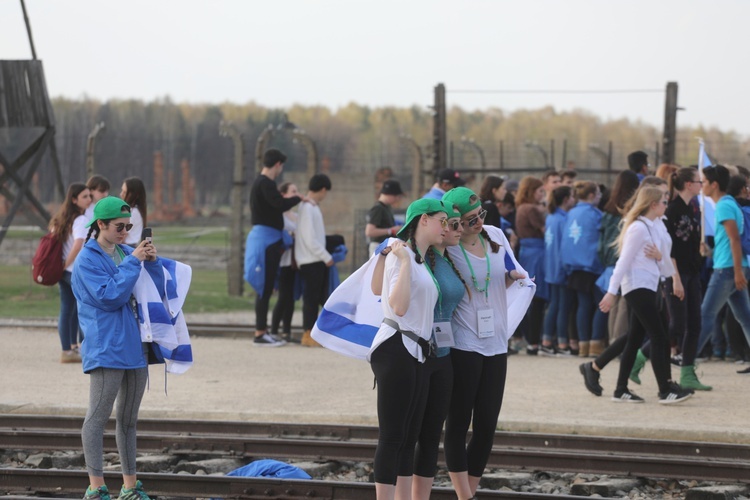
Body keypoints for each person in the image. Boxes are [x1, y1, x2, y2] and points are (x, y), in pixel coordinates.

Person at [441, 187, 532, 500]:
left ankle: (471, 492)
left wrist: (512, 278)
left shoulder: (494, 234)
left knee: (486, 427)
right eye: (468, 220)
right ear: (453, 222)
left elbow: (497, 279)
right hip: (463, 344)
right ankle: (464, 495)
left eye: (480, 214)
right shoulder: (447, 245)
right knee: (457, 423)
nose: (478, 222)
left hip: (496, 342)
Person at [71, 196, 159, 499]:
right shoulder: (86, 260)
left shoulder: (124, 251)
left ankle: (130, 487)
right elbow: (110, 296)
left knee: (128, 421)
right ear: (101, 225)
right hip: (107, 347)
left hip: (136, 347)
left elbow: (148, 291)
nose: (125, 232)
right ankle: (96, 489)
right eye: (119, 227)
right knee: (96, 418)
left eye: (129, 226)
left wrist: (152, 261)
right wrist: (135, 260)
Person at [367, 198, 448, 500]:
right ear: (423, 220)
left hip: (417, 351)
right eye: (442, 220)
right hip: (396, 348)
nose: (446, 227)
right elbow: (398, 306)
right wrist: (399, 261)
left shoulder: (418, 258)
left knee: (408, 436)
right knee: (392, 436)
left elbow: (377, 289)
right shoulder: (403, 256)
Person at [394, 202, 468, 500]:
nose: (455, 229)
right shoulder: (415, 257)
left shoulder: (449, 259)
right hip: (418, 353)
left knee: (430, 435)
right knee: (407, 434)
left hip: (444, 354)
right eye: (449, 223)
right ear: (427, 222)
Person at [599, 187, 693, 404]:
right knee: (659, 337)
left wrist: (660, 257)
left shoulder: (655, 226)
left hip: (651, 287)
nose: (666, 206)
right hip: (637, 287)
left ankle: (621, 389)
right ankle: (665, 389)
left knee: (635, 338)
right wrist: (611, 292)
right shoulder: (638, 229)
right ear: (653, 204)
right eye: (663, 203)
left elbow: (667, 268)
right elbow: (622, 262)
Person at [695, 165, 750, 373]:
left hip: (728, 269)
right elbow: (729, 242)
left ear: (715, 184)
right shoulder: (728, 204)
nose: (702, 186)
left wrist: (736, 271)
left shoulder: (725, 206)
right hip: (734, 266)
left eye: (705, 182)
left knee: (706, 314)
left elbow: (734, 239)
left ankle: (688, 358)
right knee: (745, 318)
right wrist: (709, 251)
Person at [246, 148, 303, 346]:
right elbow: (279, 204)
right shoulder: (266, 183)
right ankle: (260, 333)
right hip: (266, 242)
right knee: (265, 288)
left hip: (267, 240)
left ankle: (262, 331)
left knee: (267, 287)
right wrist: (299, 198)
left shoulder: (260, 183)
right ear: (278, 164)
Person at [663, 167, 711, 389]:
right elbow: (669, 248)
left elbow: (688, 241)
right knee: (677, 325)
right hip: (677, 273)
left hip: (692, 271)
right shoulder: (672, 210)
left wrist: (700, 247)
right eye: (698, 182)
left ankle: (688, 373)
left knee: (695, 324)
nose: (702, 185)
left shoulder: (693, 209)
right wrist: (675, 278)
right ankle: (639, 359)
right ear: (689, 185)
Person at [561, 181, 605, 357]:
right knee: (602, 304)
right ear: (592, 196)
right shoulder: (596, 214)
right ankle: (596, 343)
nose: (601, 198)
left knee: (583, 306)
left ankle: (583, 345)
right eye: (599, 194)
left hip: (574, 266)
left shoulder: (571, 213)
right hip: (591, 264)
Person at [49, 183, 93, 362]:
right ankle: (86, 348)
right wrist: (65, 265)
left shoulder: (60, 218)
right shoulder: (80, 220)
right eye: (84, 196)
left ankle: (67, 350)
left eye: (89, 195)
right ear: (74, 199)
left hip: (63, 270)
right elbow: (78, 244)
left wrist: (60, 267)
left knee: (67, 309)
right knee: (84, 308)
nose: (89, 199)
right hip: (73, 270)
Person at [295, 174, 334, 347]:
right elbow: (310, 238)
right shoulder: (308, 208)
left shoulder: (311, 207)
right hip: (311, 259)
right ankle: (308, 334)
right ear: (323, 189)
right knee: (311, 299)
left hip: (313, 258)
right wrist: (326, 256)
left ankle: (315, 332)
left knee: (317, 297)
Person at [514, 176, 548, 354]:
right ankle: (534, 340)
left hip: (527, 252)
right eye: (540, 191)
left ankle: (530, 339)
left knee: (530, 296)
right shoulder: (532, 209)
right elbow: (545, 230)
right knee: (538, 298)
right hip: (537, 253)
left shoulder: (521, 208)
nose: (543, 194)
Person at [542, 185, 575, 355]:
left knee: (554, 304)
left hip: (551, 266)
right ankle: (562, 343)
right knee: (562, 306)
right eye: (571, 196)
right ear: (565, 199)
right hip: (560, 267)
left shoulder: (551, 217)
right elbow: (566, 246)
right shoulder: (564, 219)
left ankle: (547, 340)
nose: (574, 199)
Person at [270, 182, 301, 343]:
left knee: (290, 298)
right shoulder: (279, 216)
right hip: (282, 261)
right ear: (284, 195)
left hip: (294, 261)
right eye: (293, 191)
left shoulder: (296, 216)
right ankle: (274, 330)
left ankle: (286, 332)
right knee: (283, 297)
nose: (296, 194)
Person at [366, 179, 404, 256]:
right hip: (378, 246)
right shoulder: (378, 208)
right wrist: (391, 230)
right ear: (390, 194)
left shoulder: (386, 208)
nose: (397, 199)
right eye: (396, 196)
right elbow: (369, 232)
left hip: (385, 246)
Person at [120, 177, 148, 246]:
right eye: (122, 191)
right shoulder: (134, 210)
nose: (121, 195)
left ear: (133, 194)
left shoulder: (133, 212)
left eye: (125, 192)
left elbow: (122, 235)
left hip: (128, 247)